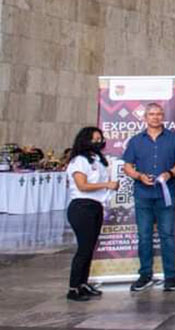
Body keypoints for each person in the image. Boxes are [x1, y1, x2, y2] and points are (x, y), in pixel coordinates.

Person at [123, 103, 175, 292]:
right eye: (151, 114)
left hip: (166, 195)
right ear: (145, 117)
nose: (155, 117)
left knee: (167, 235)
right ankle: (145, 275)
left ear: (163, 116)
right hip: (143, 195)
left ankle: (170, 276)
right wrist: (139, 176)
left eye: (159, 114)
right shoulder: (136, 141)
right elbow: (127, 166)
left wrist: (170, 173)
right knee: (144, 236)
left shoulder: (174, 139)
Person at [65, 127, 119, 301]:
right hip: (82, 207)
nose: (98, 142)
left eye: (100, 139)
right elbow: (82, 185)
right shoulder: (79, 161)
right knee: (83, 248)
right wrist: (106, 185)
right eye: (94, 139)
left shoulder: (97, 160)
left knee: (90, 248)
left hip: (96, 206)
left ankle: (83, 283)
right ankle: (73, 288)